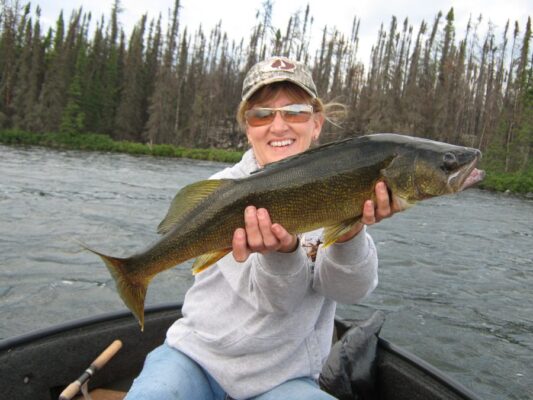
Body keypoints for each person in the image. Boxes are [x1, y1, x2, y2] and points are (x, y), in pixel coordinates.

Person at [126, 56, 398, 400]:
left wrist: (349, 234)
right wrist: (283, 254)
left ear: (316, 123)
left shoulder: (338, 186)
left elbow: (350, 291)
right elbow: (274, 303)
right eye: (262, 114)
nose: (279, 126)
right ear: (248, 126)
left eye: (295, 112)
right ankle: (133, 274)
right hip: (197, 357)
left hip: (285, 377)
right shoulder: (226, 192)